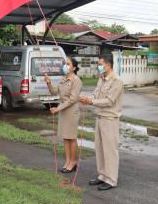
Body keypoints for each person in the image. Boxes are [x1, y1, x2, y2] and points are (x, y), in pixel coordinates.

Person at [79, 54, 124, 191]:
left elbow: (109, 101)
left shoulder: (116, 81)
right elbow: (95, 94)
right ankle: (103, 176)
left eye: (100, 64)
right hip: (99, 117)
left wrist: (91, 101)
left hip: (110, 119)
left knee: (110, 151)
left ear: (108, 65)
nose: (98, 66)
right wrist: (87, 99)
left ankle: (111, 180)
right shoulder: (101, 78)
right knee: (100, 149)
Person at [45, 57, 82, 173]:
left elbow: (72, 99)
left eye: (68, 64)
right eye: (65, 64)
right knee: (65, 137)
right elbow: (54, 92)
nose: (65, 66)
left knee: (71, 138)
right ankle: (68, 161)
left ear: (74, 68)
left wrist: (58, 109)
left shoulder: (76, 80)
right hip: (63, 111)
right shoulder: (64, 79)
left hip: (71, 112)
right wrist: (49, 83)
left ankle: (73, 162)